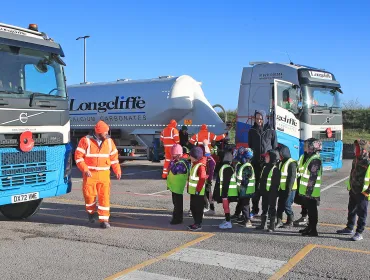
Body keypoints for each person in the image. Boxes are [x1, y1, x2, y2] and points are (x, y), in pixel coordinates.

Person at [74, 120, 121, 229]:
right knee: (89, 196)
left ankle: (104, 220)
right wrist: (85, 169)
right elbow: (78, 157)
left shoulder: (109, 142)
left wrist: (117, 170)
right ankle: (91, 212)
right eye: (105, 132)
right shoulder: (85, 141)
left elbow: (114, 158)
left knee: (104, 197)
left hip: (104, 174)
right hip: (90, 174)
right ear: (99, 133)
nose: (107, 134)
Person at [337, 140, 370, 241]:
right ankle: (349, 227)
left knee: (362, 213)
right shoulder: (355, 159)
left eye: (357, 148)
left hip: (363, 191)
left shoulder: (368, 161)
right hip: (354, 189)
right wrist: (350, 186)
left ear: (363, 149)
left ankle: (359, 232)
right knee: (351, 209)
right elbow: (352, 173)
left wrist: (367, 191)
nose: (355, 150)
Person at [248, 110, 278, 218]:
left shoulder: (271, 131)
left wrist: (272, 161)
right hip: (256, 163)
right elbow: (250, 146)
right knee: (255, 188)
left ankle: (267, 211)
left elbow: (274, 148)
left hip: (267, 164)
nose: (259, 121)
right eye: (257, 119)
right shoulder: (251, 130)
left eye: (260, 119)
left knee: (267, 188)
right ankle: (254, 210)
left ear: (265, 118)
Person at [298, 138, 322, 237]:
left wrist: (309, 191)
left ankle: (313, 230)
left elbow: (313, 177)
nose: (306, 148)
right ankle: (309, 227)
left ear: (313, 147)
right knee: (309, 210)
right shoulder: (309, 157)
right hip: (307, 191)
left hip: (312, 192)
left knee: (312, 211)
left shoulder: (315, 159)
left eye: (308, 146)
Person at [255, 149, 281, 232]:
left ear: (272, 158)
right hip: (264, 192)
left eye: (267, 156)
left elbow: (275, 184)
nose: (265, 158)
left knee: (272, 208)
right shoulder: (265, 167)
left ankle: (272, 226)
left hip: (272, 193)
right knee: (264, 208)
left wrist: (272, 194)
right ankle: (263, 224)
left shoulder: (275, 169)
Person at [213, 147, 238, 229]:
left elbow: (226, 181)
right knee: (225, 207)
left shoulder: (226, 168)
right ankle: (227, 220)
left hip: (227, 192)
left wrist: (224, 193)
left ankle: (228, 222)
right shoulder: (227, 166)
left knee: (226, 207)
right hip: (228, 191)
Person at [167, 144, 191, 225]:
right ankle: (177, 217)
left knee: (178, 204)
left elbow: (174, 170)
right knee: (176, 203)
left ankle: (177, 218)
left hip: (178, 187)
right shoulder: (178, 162)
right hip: (174, 186)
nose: (173, 157)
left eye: (174, 155)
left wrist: (172, 163)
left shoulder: (182, 163)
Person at [276, 144, 297, 228]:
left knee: (287, 205)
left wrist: (288, 190)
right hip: (282, 188)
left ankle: (290, 220)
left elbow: (291, 178)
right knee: (280, 205)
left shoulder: (292, 163)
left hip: (290, 189)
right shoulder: (281, 162)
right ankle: (279, 221)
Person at [187, 147, 208, 231]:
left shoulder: (200, 166)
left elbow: (202, 178)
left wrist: (198, 190)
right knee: (193, 207)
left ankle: (198, 224)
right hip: (194, 191)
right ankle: (195, 223)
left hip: (198, 192)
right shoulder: (195, 163)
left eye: (191, 156)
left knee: (198, 208)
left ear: (195, 157)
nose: (190, 157)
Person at [235, 147, 255, 228]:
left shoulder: (246, 166)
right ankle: (245, 218)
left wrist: (241, 183)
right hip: (246, 189)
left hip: (245, 189)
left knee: (245, 205)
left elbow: (245, 179)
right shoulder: (247, 165)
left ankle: (247, 220)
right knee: (245, 204)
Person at [294, 141, 310, 227]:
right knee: (303, 201)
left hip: (308, 183)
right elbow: (299, 166)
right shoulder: (303, 156)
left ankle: (308, 219)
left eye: (306, 146)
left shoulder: (311, 157)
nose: (304, 147)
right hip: (302, 181)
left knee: (309, 202)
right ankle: (303, 217)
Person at [201, 139, 216, 215]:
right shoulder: (209, 158)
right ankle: (210, 208)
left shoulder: (209, 159)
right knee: (207, 193)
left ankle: (207, 207)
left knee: (206, 193)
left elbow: (211, 166)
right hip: (206, 178)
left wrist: (209, 178)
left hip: (206, 178)